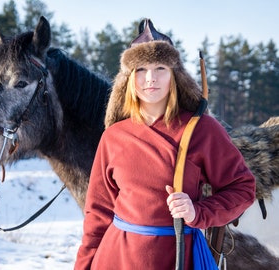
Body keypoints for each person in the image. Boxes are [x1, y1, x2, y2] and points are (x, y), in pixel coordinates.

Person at [74, 19, 256, 270]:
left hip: (177, 256)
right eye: (140, 69)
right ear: (128, 78)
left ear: (174, 76)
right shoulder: (113, 136)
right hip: (116, 257)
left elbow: (243, 188)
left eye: (160, 68)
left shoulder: (202, 130)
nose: (151, 78)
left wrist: (197, 212)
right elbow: (97, 214)